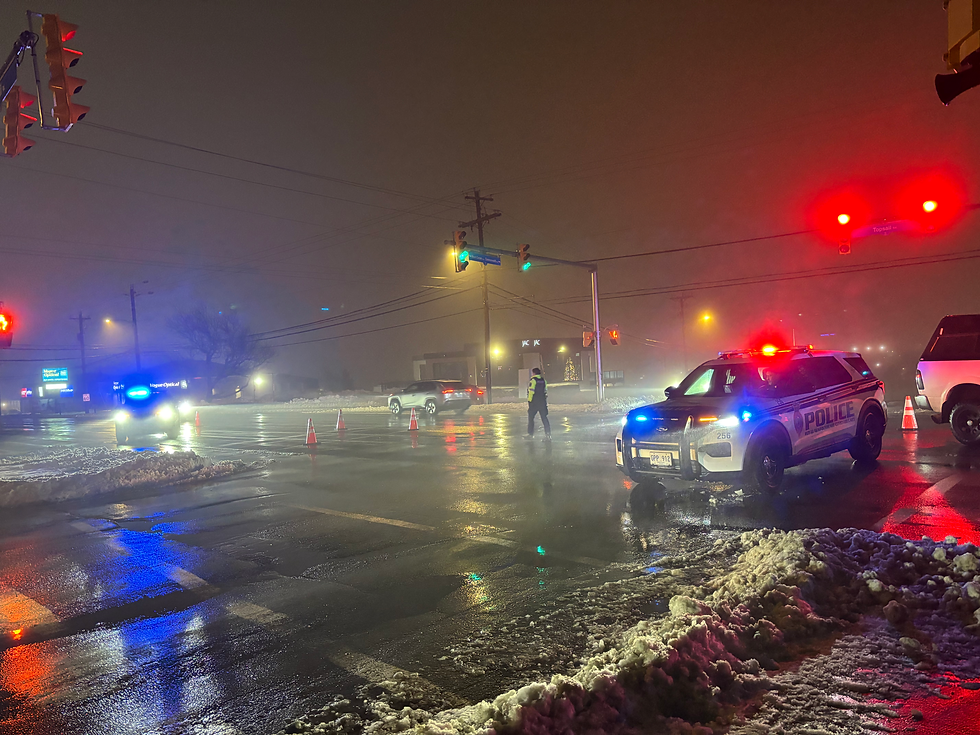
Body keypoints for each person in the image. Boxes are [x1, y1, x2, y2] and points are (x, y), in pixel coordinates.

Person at [525, 367, 551, 440]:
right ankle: (548, 435)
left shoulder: (533, 381)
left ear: (534, 373)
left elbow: (531, 392)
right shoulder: (544, 381)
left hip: (534, 403)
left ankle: (530, 434)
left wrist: (529, 401)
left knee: (531, 418)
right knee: (544, 418)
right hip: (542, 402)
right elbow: (545, 391)